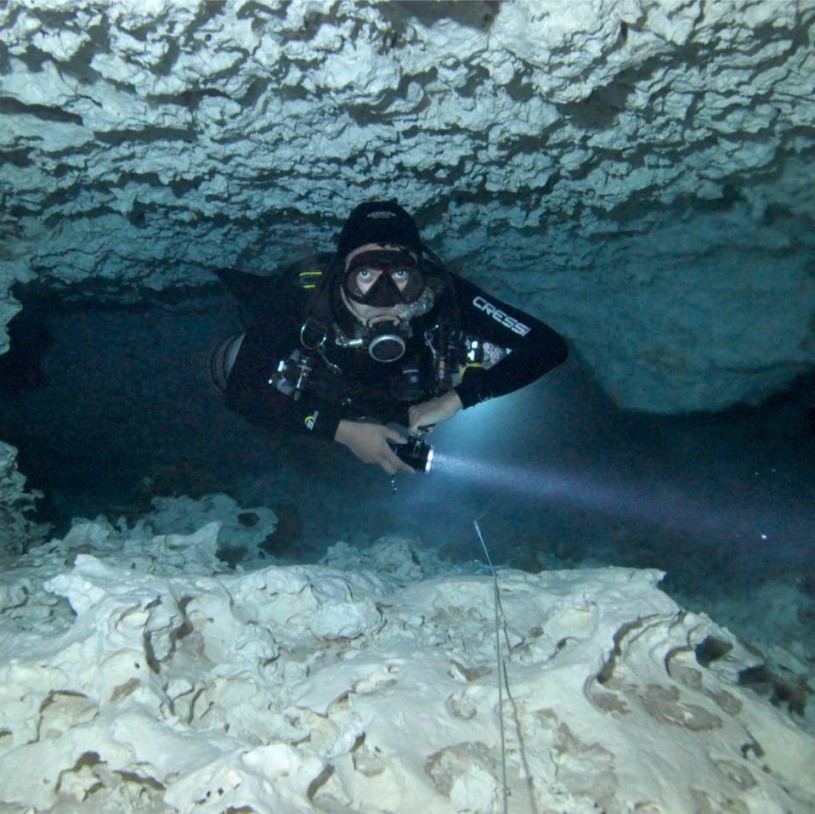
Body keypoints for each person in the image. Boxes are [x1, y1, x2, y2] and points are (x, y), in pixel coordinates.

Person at [212, 200, 568, 475]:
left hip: (403, 397)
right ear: (341, 275)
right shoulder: (303, 293)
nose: (385, 298)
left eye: (400, 273)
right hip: (318, 393)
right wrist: (342, 432)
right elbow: (243, 393)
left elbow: (547, 347)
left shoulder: (441, 293)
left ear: (421, 276)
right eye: (365, 274)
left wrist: (456, 399)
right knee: (231, 364)